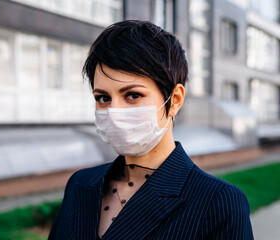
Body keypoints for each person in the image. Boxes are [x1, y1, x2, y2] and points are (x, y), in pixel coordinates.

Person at [48, 20, 253, 240]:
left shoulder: (219, 202)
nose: (114, 113)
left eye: (133, 95)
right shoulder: (80, 184)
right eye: (103, 98)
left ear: (174, 100)